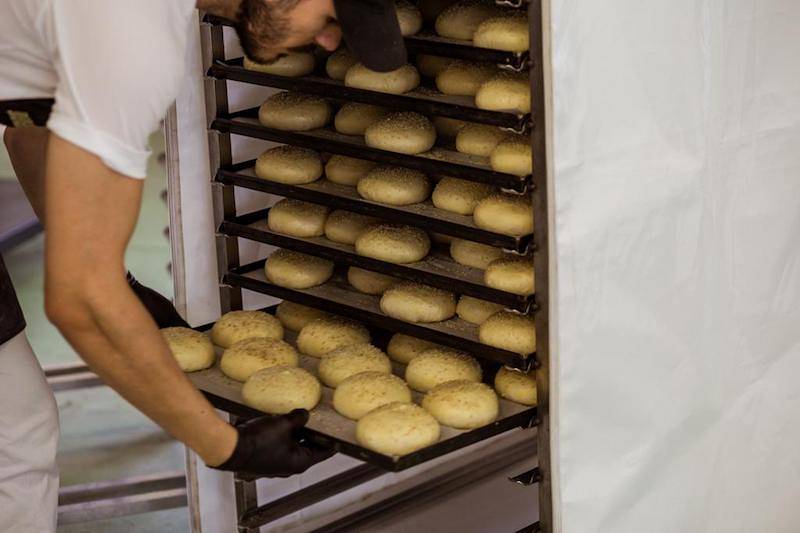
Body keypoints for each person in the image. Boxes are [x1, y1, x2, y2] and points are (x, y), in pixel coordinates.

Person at [0, 0, 407, 531]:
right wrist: (226, 446)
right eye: (332, 18)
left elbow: (28, 127)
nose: (330, 43)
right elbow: (77, 303)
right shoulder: (134, 37)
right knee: (15, 439)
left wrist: (115, 281)